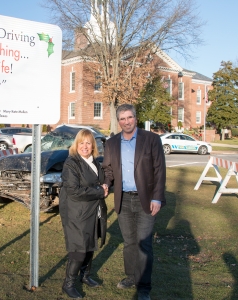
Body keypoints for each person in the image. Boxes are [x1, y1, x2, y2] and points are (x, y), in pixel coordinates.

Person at [102, 104, 166, 300]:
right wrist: (106, 184)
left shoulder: (151, 139)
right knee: (129, 242)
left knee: (144, 243)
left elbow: (159, 171)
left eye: (129, 117)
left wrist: (157, 198)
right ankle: (131, 276)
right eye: (122, 119)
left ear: (135, 118)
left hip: (146, 200)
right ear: (119, 121)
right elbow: (108, 170)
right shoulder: (112, 143)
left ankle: (144, 286)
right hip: (123, 200)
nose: (126, 122)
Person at [59, 129, 108, 299]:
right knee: (79, 248)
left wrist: (106, 186)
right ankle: (68, 284)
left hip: (93, 211)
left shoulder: (94, 161)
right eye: (82, 143)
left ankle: (85, 276)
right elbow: (74, 191)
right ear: (76, 145)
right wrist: (99, 191)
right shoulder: (71, 163)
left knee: (90, 244)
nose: (85, 146)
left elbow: (102, 181)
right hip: (76, 212)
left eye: (88, 143)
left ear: (93, 145)